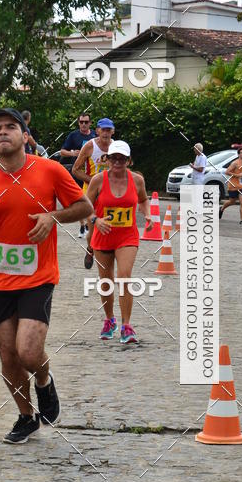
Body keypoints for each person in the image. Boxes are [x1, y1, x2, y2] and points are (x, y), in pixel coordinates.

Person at [0, 108, 93, 445]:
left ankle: (44, 381)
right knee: (8, 356)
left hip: (38, 276)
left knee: (29, 353)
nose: (3, 133)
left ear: (24, 135)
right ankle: (25, 416)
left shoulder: (49, 170)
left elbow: (84, 208)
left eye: (10, 128)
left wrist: (52, 216)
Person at [86, 141, 151, 343]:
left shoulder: (137, 180)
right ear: (107, 159)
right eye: (113, 157)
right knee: (106, 283)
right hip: (102, 235)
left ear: (129, 160)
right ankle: (109, 320)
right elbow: (84, 208)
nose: (117, 161)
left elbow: (143, 200)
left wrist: (148, 215)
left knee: (124, 276)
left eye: (122, 158)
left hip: (127, 236)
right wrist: (96, 220)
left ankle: (126, 326)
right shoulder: (98, 180)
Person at [72, 119, 115, 266]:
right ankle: (90, 248)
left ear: (113, 132)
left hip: (109, 190)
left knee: (112, 224)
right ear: (97, 131)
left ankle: (110, 252)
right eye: (103, 130)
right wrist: (94, 180)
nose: (106, 133)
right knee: (93, 227)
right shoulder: (90, 146)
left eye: (109, 130)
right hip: (90, 190)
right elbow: (75, 169)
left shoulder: (116, 147)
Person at [61, 113, 94, 235]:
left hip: (91, 172)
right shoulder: (73, 135)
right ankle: (82, 225)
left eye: (86, 122)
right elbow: (62, 151)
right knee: (78, 198)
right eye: (81, 122)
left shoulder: (94, 135)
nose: (84, 124)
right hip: (77, 171)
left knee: (92, 198)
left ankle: (92, 222)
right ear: (78, 123)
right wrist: (73, 153)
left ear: (90, 123)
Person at [219, 147, 242, 226]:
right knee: (232, 202)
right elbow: (227, 172)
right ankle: (221, 209)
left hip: (241, 185)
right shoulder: (235, 163)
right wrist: (237, 175)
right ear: (239, 154)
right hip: (233, 186)